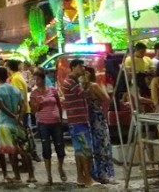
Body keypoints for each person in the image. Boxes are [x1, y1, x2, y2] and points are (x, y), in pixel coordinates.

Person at [0, 67, 35, 183]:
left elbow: (2, 107)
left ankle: (17, 176)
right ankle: (31, 175)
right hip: (17, 124)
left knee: (11, 153)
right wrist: (19, 118)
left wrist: (13, 116)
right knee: (24, 150)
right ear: (7, 76)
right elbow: (23, 105)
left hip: (5, 123)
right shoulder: (15, 89)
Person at [30, 68, 66, 184]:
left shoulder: (52, 90)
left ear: (43, 79)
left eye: (38, 79)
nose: (37, 81)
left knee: (60, 147)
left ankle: (60, 167)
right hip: (43, 123)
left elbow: (58, 104)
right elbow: (33, 110)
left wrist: (60, 117)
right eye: (35, 79)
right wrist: (38, 103)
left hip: (56, 122)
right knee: (46, 149)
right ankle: (49, 176)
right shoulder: (34, 93)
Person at [61, 59, 93, 187]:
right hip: (78, 120)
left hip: (75, 120)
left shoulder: (72, 82)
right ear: (73, 67)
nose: (83, 69)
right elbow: (85, 94)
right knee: (86, 150)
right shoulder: (71, 82)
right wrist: (88, 81)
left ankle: (81, 177)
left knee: (79, 150)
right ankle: (87, 178)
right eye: (81, 66)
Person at [84, 66, 114, 184]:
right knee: (92, 148)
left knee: (101, 146)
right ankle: (95, 173)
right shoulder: (83, 87)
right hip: (88, 119)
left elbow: (106, 99)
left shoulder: (94, 86)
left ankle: (105, 173)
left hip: (97, 118)